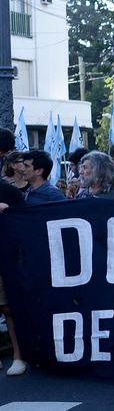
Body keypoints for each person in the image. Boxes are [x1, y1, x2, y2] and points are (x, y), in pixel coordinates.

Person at [0, 128, 27, 376]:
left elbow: (23, 224)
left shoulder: (9, 191)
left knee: (9, 307)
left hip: (5, 256)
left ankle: (19, 355)